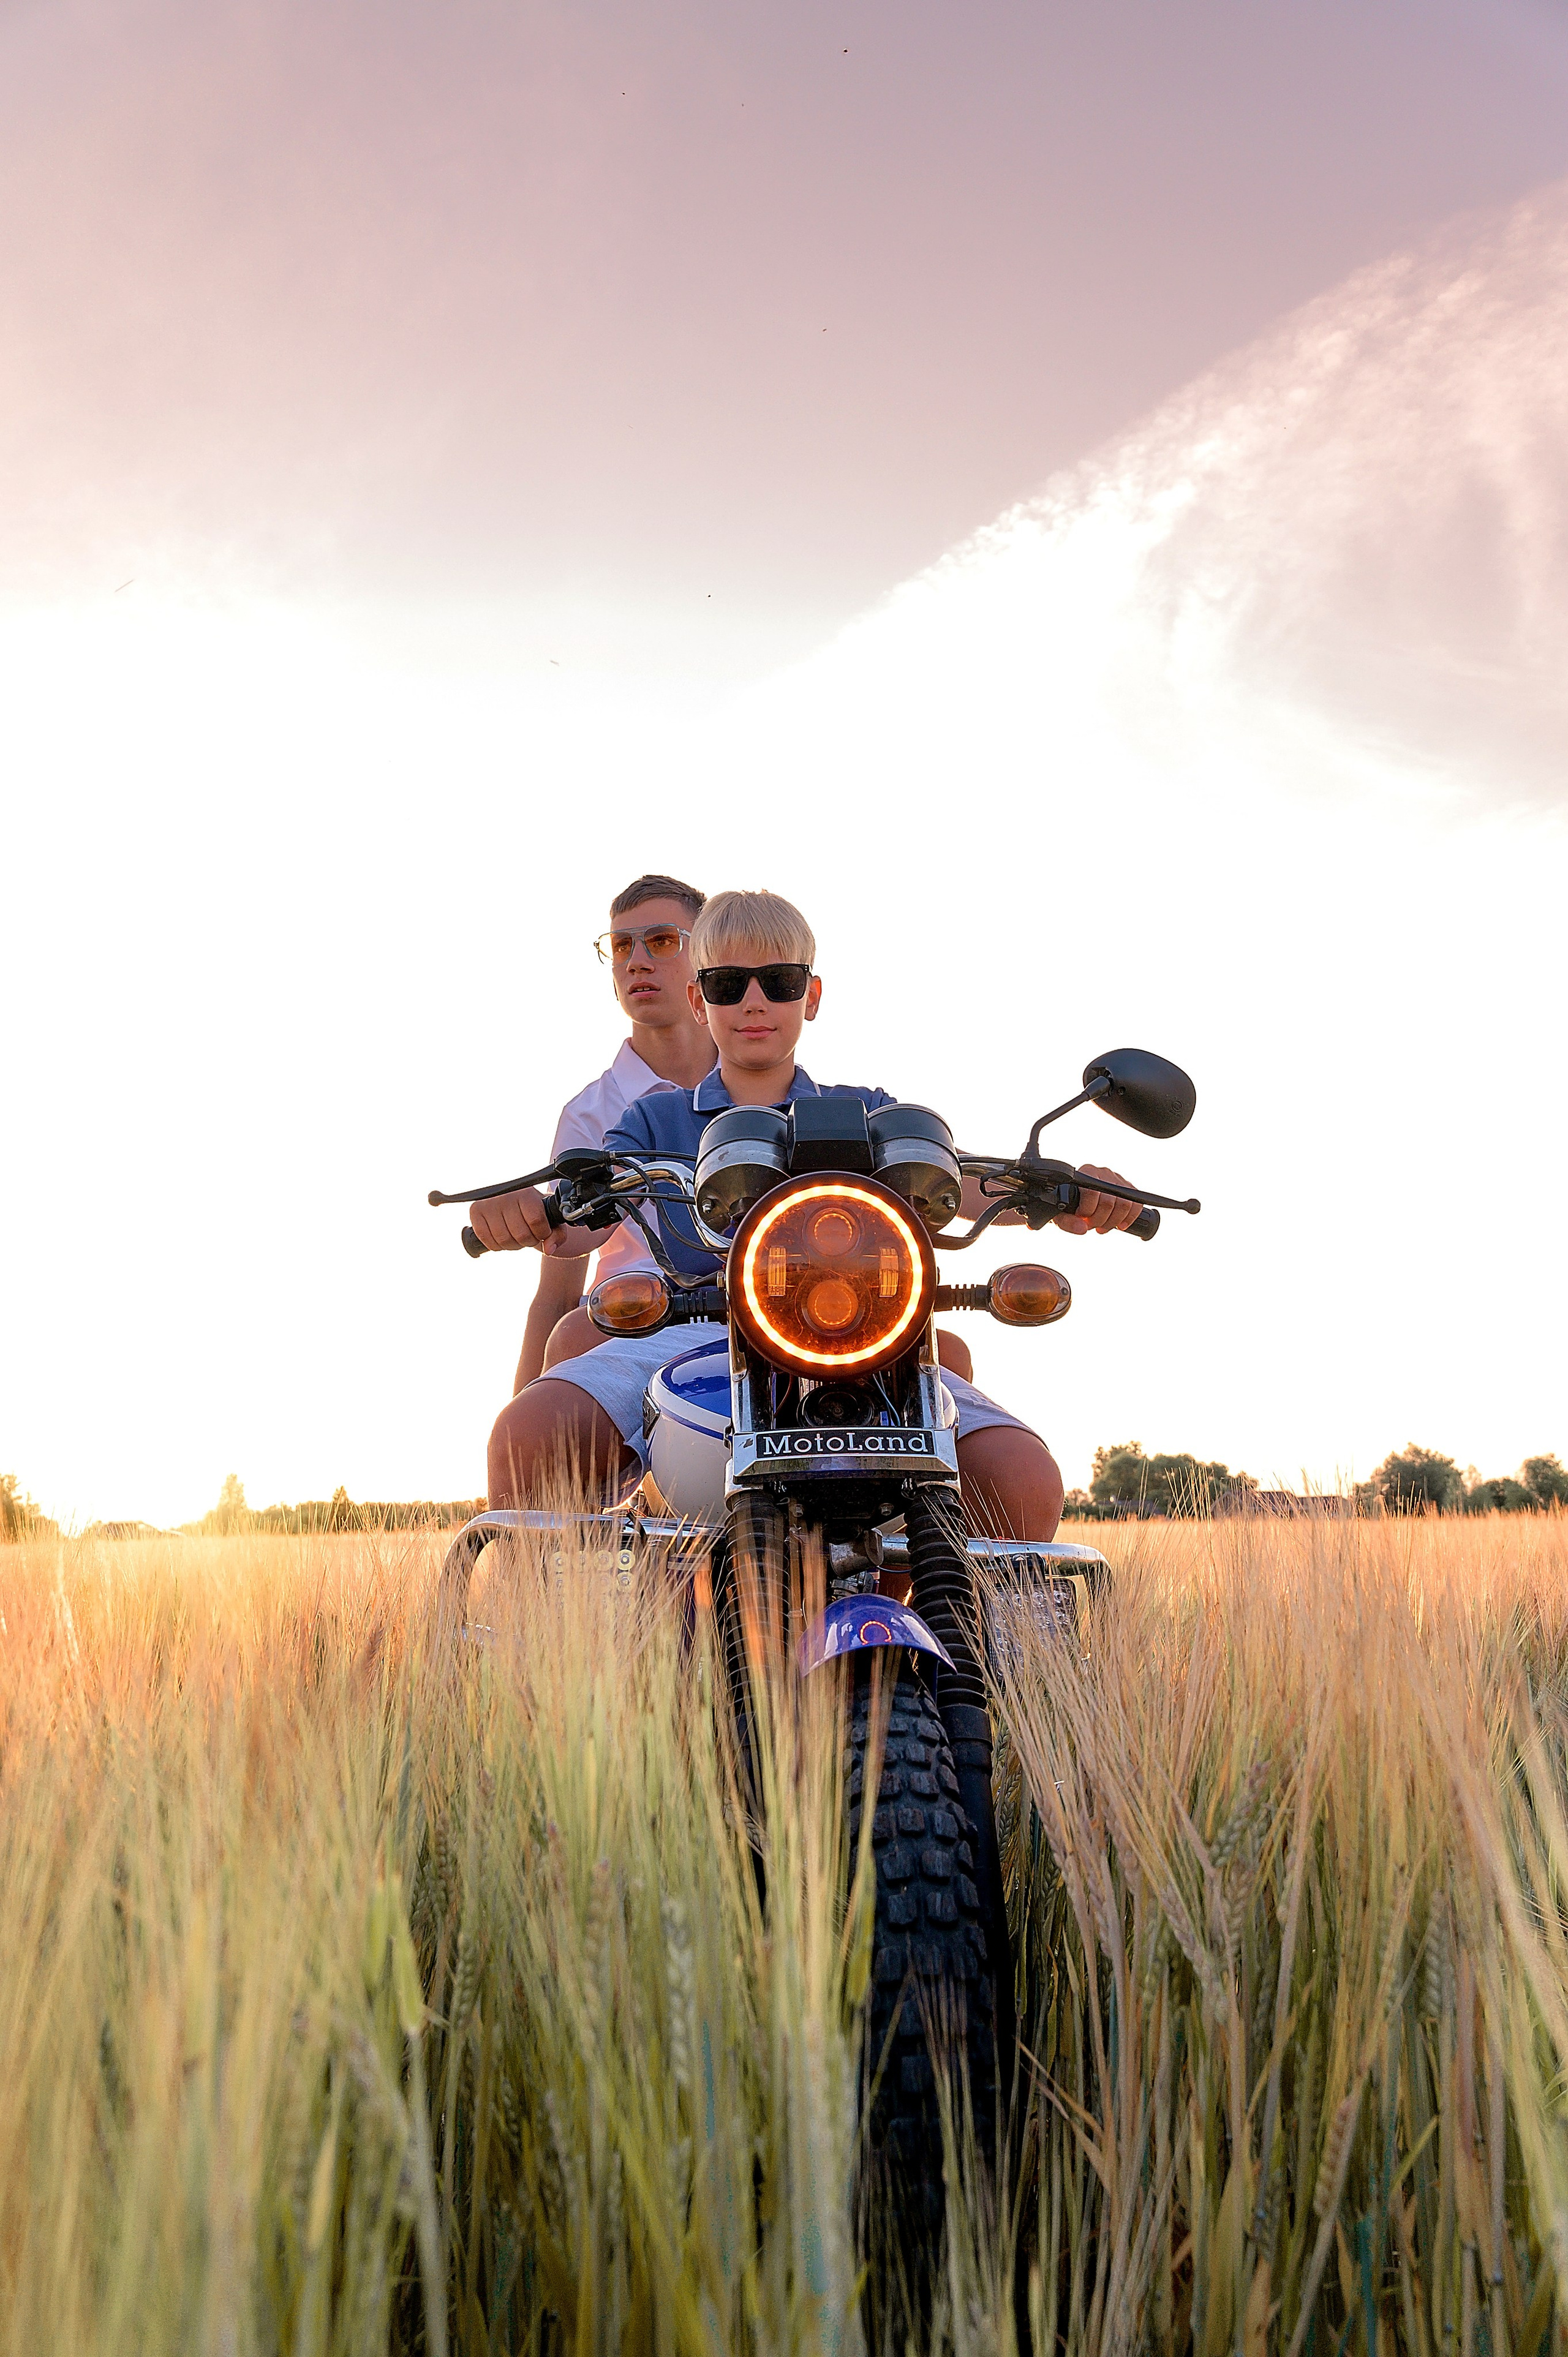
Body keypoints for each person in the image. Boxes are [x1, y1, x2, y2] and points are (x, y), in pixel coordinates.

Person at [484, 888, 1145, 1541]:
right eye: (725, 983)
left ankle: (980, 1623)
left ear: (813, 995)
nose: (753, 1001)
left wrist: (1061, 1193)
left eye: (778, 981)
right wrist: (531, 1213)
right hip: (695, 1329)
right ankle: (536, 1624)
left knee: (1021, 1476)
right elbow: (585, 1218)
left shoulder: (870, 1112)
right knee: (532, 1433)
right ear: (698, 998)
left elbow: (956, 1180)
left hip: (865, 1344)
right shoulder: (651, 1120)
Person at [470, 875, 717, 1390]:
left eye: (663, 941)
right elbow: (559, 1293)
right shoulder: (590, 1114)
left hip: (769, 1313)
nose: (637, 961)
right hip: (632, 1322)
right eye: (622, 945)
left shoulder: (764, 1083)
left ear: (710, 954)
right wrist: (525, 1418)